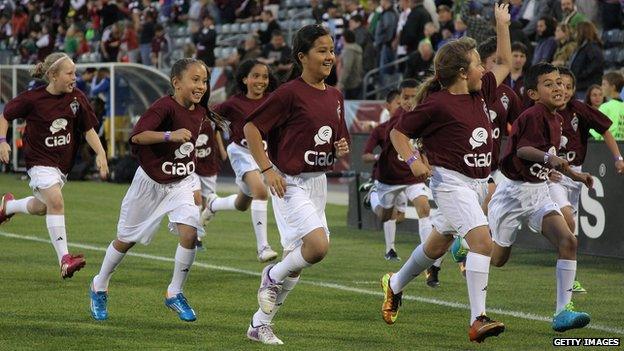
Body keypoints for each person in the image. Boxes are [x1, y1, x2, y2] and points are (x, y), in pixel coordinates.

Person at [381, 3, 512, 343]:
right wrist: (414, 162)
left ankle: (394, 284)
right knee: (482, 243)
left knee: (437, 245)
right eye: (477, 63)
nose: (484, 68)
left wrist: (502, 25)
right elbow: (398, 133)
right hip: (450, 183)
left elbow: (506, 62)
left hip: (477, 184)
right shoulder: (436, 104)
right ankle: (478, 318)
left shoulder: (480, 90)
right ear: (460, 72)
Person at [242, 24, 350, 345]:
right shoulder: (288, 93)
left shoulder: (335, 95)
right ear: (302, 56)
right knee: (317, 247)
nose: (329, 56)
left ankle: (259, 324)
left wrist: (338, 147)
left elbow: (333, 137)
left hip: (317, 183)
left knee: (299, 262)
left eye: (331, 50)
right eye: (322, 50)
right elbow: (251, 128)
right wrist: (266, 169)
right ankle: (270, 276)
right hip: (289, 183)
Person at [88, 58, 209, 322]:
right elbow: (137, 136)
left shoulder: (200, 111)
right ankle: (99, 284)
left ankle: (174, 292)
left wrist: (195, 181)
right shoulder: (163, 107)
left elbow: (189, 152)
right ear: (176, 83)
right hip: (150, 185)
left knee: (189, 233)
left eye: (204, 80)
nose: (201, 86)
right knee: (126, 240)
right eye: (195, 80)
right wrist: (169, 135)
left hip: (180, 184)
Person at [489, 62, 593, 333]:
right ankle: (468, 246)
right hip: (511, 193)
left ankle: (562, 313)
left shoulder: (556, 119)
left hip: (538, 193)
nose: (558, 87)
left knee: (568, 240)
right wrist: (551, 160)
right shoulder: (533, 115)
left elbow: (550, 158)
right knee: (498, 260)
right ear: (533, 93)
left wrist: (575, 175)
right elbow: (524, 150)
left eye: (559, 82)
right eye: (549, 84)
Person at [0, 52, 108, 279]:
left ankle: (8, 207)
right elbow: (5, 115)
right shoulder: (32, 99)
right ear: (52, 75)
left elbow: (88, 130)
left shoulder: (77, 98)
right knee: (57, 202)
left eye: (75, 72)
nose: (74, 77)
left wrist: (101, 153)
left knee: (43, 207)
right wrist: (2, 142)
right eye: (70, 73)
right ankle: (65, 260)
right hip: (39, 162)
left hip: (62, 167)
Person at [451, 36, 523, 274]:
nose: (488, 68)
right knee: (446, 228)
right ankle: (462, 247)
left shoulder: (507, 95)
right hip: (465, 169)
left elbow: (519, 127)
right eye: (489, 61)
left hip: (493, 165)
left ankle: (464, 249)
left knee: (488, 206)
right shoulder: (467, 93)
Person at [547, 67, 623, 293]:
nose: (564, 91)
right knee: (567, 219)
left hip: (576, 174)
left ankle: (570, 274)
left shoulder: (579, 109)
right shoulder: (543, 111)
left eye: (569, 87)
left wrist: (618, 157)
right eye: (560, 86)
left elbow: (606, 129)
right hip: (555, 176)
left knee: (570, 230)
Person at [204, 59, 280, 262]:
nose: (261, 80)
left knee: (242, 204)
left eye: (264, 76)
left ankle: (213, 204)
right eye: (256, 76)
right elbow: (208, 115)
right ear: (245, 79)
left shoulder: (275, 100)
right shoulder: (234, 103)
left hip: (264, 156)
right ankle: (263, 248)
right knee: (261, 192)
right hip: (242, 153)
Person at [193, 92, 228, 251]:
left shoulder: (211, 115)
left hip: (209, 164)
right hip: (192, 164)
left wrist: (221, 149)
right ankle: (194, 236)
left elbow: (217, 132)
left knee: (209, 205)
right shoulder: (189, 113)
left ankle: (199, 230)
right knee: (197, 199)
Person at [569, 21, 604, 99]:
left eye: (576, 31)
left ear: (582, 32)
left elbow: (596, 64)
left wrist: (581, 75)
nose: (575, 34)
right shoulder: (583, 47)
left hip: (586, 88)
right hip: (580, 86)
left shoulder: (592, 48)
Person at [592, 71, 624, 141]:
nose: (601, 87)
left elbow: (594, 133)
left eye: (604, 84)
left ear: (613, 87)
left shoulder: (606, 107)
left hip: (606, 148)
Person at [337, 30, 363, 100]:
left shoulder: (349, 50)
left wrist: (340, 83)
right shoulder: (355, 49)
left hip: (350, 84)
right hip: (355, 82)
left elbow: (347, 68)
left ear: (345, 38)